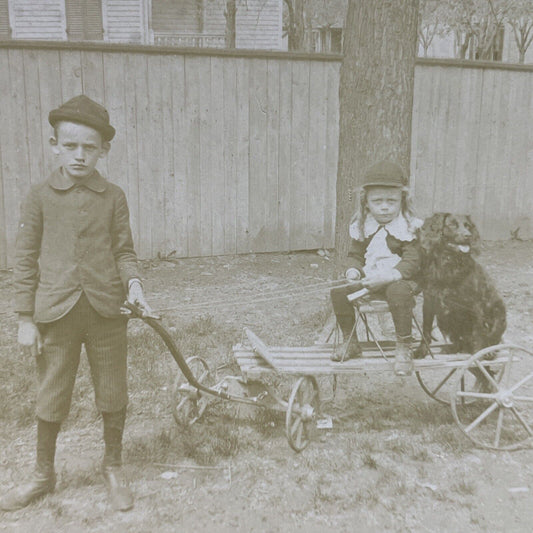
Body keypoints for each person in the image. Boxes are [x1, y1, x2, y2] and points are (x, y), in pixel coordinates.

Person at [0, 95, 151, 513]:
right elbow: (24, 260)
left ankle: (114, 466)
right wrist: (24, 318)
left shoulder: (114, 197)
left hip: (107, 312)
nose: (80, 156)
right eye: (70, 146)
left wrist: (134, 284)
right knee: (52, 393)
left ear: (105, 150)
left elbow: (124, 251)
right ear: (54, 146)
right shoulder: (39, 197)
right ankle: (42, 474)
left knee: (112, 391)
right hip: (55, 314)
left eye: (89, 147)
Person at [330, 160, 422, 376]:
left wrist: (390, 275)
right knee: (338, 289)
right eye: (377, 201)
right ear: (366, 202)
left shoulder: (408, 227)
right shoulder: (364, 225)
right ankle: (351, 341)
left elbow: (412, 260)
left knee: (398, 291)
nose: (384, 207)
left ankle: (403, 347)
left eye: (391, 201)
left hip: (401, 280)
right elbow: (355, 255)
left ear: (402, 200)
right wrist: (353, 271)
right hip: (370, 280)